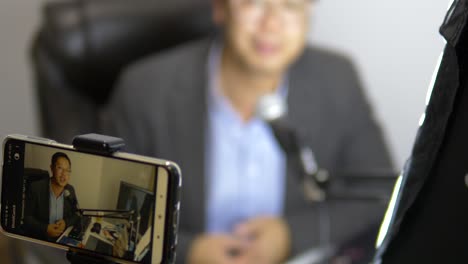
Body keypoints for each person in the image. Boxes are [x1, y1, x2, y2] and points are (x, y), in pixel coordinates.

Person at [102, 0, 394, 263]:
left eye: (291, 6)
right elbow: (107, 209)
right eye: (253, 3)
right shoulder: (145, 88)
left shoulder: (338, 78)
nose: (271, 24)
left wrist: (291, 235)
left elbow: (378, 195)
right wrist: (187, 250)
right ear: (220, 8)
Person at [24, 152, 80, 241]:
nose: (64, 174)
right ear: (52, 168)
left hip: (62, 239)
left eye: (68, 170)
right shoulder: (36, 188)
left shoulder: (70, 190)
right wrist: (45, 228)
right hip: (41, 240)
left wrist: (65, 223)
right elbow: (27, 218)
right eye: (60, 168)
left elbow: (77, 214)